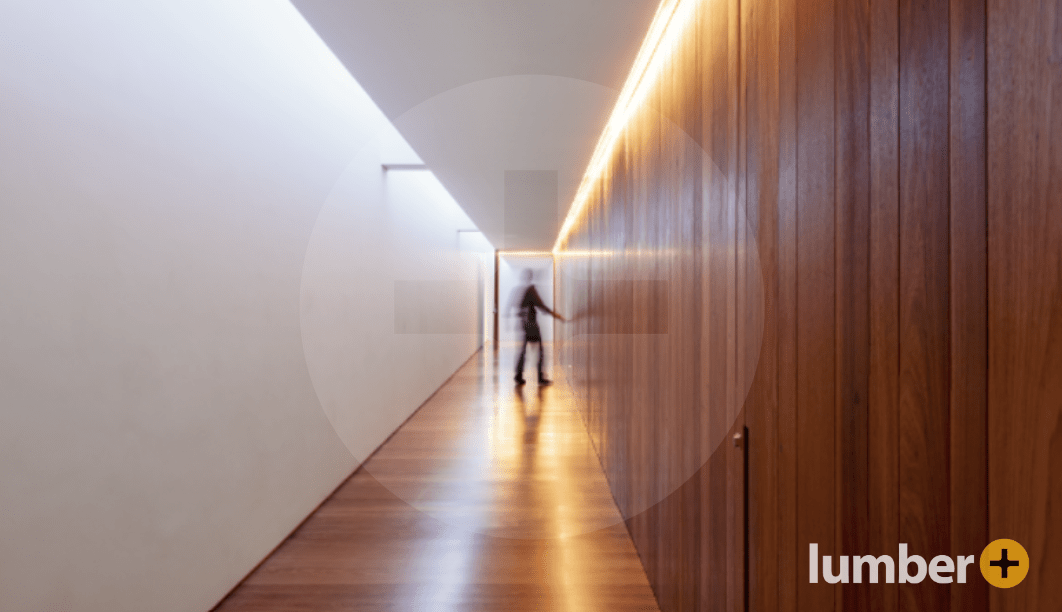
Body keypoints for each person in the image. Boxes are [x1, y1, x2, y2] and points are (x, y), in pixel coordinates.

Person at [513, 269, 565, 385]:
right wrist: (556, 315)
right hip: (531, 325)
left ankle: (518, 375)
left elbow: (520, 309)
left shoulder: (521, 290)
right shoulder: (531, 290)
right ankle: (540, 378)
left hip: (524, 324)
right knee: (540, 351)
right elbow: (540, 305)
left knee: (523, 350)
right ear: (530, 277)